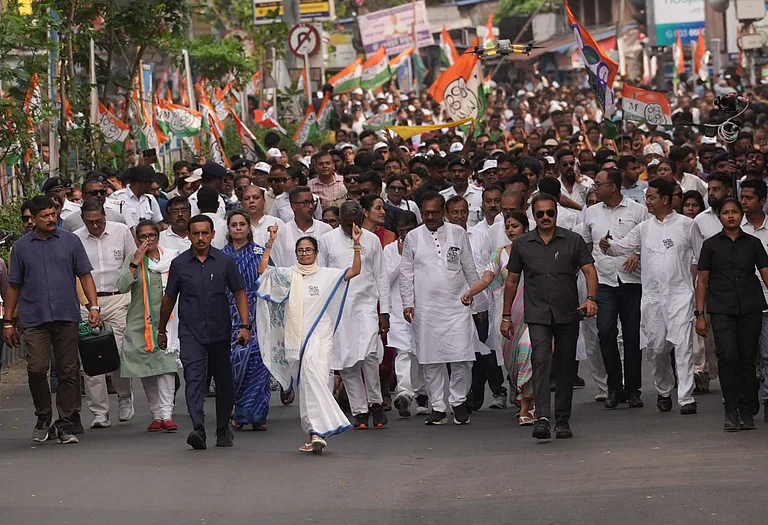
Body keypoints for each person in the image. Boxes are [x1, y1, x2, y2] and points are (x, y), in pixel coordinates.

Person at [3, 195, 101, 444]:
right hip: (34, 319)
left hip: (66, 315)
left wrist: (93, 306)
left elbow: (85, 275)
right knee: (36, 369)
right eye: (44, 216)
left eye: (53, 214)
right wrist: (8, 321)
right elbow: (14, 285)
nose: (50, 219)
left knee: (68, 371)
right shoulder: (22, 248)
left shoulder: (70, 242)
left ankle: (65, 422)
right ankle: (43, 416)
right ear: (33, 219)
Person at [256, 227, 362, 454]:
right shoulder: (288, 275)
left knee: (316, 377)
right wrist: (270, 243)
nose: (304, 254)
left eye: (308, 250)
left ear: (316, 253)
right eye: (300, 251)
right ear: (296, 254)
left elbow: (354, 270)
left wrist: (356, 244)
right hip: (297, 336)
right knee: (306, 384)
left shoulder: (326, 274)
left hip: (320, 333)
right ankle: (315, 432)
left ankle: (318, 431)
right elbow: (263, 272)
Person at [502, 192, 598, 440]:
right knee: (541, 363)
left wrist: (591, 299)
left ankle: (563, 420)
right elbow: (512, 280)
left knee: (565, 367)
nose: (545, 217)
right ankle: (542, 417)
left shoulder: (573, 240)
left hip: (568, 312)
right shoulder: (523, 244)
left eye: (550, 212)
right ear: (533, 216)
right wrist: (506, 316)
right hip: (537, 314)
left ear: (556, 212)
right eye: (540, 214)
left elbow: (589, 270)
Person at [600, 179, 698, 415]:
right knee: (658, 347)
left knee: (683, 345)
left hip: (680, 294)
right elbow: (621, 247)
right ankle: (664, 390)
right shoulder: (645, 228)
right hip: (653, 296)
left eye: (652, 197)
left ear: (665, 200)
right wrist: (607, 246)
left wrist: (694, 287)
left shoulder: (687, 225)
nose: (647, 201)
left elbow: (699, 257)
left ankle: (686, 398)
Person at [157, 215, 251, 450]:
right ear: (189, 235)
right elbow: (169, 298)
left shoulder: (224, 261)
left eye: (204, 233)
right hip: (191, 331)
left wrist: (245, 325)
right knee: (194, 379)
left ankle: (222, 430)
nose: (200, 238)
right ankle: (198, 428)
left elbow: (239, 292)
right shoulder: (179, 264)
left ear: (212, 234)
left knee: (223, 381)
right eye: (195, 233)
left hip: (220, 331)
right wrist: (161, 330)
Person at [400, 192, 479, 426]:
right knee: (430, 359)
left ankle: (458, 401)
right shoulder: (413, 237)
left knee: (462, 357)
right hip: (426, 308)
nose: (431, 217)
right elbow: (406, 273)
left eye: (435, 212)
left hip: (457, 305)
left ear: (444, 212)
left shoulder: (458, 233)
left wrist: (477, 298)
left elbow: (469, 266)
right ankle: (437, 406)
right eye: (426, 213)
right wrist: (408, 303)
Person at [695, 198, 768, 431]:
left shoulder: (754, 244)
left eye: (734, 212)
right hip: (721, 308)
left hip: (750, 306)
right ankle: (731, 409)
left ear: (741, 215)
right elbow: (702, 280)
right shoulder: (711, 245)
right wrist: (699, 314)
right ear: (720, 217)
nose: (730, 216)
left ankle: (746, 411)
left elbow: (765, 273)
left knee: (747, 360)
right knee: (727, 357)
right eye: (726, 212)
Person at [318, 201, 390, 429]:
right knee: (346, 361)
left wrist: (385, 311)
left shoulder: (372, 240)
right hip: (338, 309)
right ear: (339, 220)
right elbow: (322, 277)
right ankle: (360, 411)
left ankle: (376, 403)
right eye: (347, 224)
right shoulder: (327, 241)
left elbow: (381, 276)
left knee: (369, 355)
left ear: (361, 219)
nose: (352, 229)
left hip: (366, 306)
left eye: (355, 223)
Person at [580, 168, 648, 409]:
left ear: (613, 186)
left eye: (598, 184)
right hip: (604, 280)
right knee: (606, 331)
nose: (594, 188)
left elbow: (647, 238)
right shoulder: (590, 212)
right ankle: (614, 387)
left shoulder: (638, 210)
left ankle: (633, 390)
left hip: (632, 280)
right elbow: (585, 247)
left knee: (631, 336)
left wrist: (637, 255)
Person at [462, 210, 536, 425]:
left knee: (528, 353)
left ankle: (527, 404)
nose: (511, 230)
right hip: (506, 317)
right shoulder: (499, 254)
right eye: (508, 227)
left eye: (515, 226)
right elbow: (486, 279)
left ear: (526, 228)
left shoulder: (535, 252)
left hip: (533, 314)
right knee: (512, 363)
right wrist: (470, 292)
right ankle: (524, 394)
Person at [74, 198, 137, 428]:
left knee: (118, 352)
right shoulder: (76, 238)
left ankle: (124, 396)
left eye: (99, 221)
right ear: (83, 220)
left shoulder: (121, 232)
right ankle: (100, 411)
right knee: (90, 356)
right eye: (90, 222)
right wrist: (88, 304)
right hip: (87, 301)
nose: (95, 226)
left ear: (105, 216)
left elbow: (133, 262)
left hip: (117, 298)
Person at [117, 220, 180, 432]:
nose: (148, 240)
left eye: (151, 235)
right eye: (143, 236)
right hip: (139, 321)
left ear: (158, 236)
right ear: (137, 239)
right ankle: (156, 414)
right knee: (148, 368)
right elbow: (122, 285)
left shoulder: (171, 259)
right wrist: (135, 261)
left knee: (166, 368)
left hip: (167, 321)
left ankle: (167, 414)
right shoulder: (133, 259)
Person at [446, 195, 506, 410]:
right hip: (451, 304)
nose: (459, 217)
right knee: (455, 352)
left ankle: (477, 390)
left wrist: (482, 302)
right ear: (447, 214)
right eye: (455, 212)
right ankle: (462, 395)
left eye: (463, 212)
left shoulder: (480, 235)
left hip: (479, 303)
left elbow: (488, 270)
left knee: (481, 352)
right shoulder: (442, 239)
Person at [222, 210, 271, 430]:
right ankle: (239, 412)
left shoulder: (261, 253)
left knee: (258, 365)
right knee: (236, 364)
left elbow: (272, 281)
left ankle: (257, 415)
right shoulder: (221, 257)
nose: (239, 228)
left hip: (258, 315)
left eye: (243, 224)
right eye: (234, 225)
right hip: (229, 317)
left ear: (248, 228)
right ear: (229, 229)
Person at [384, 211, 429, 418]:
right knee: (403, 352)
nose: (404, 235)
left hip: (423, 306)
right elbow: (385, 280)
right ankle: (404, 393)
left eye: (408, 230)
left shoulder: (426, 246)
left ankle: (422, 395)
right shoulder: (389, 250)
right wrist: (402, 258)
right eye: (401, 231)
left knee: (421, 353)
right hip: (398, 308)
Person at [691, 172, 733, 392]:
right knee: (709, 334)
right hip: (711, 285)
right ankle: (704, 372)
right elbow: (698, 259)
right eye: (709, 190)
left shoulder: (739, 216)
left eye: (716, 189)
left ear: (728, 191)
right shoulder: (700, 220)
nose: (711, 194)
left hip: (739, 286)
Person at [740, 179, 768, 421]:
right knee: (745, 356)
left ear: (762, 201)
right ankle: (746, 402)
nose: (744, 202)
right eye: (742, 197)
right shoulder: (735, 228)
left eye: (749, 198)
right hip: (743, 304)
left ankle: (767, 399)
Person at [270, 186, 332, 267]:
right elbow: (276, 264)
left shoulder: (326, 230)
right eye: (306, 202)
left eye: (312, 202)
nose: (311, 206)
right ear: (293, 206)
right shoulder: (282, 232)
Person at [440, 157, 483, 227]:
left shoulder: (480, 194)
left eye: (461, 171)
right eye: (454, 171)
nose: (457, 174)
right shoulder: (442, 196)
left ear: (469, 172)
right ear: (449, 174)